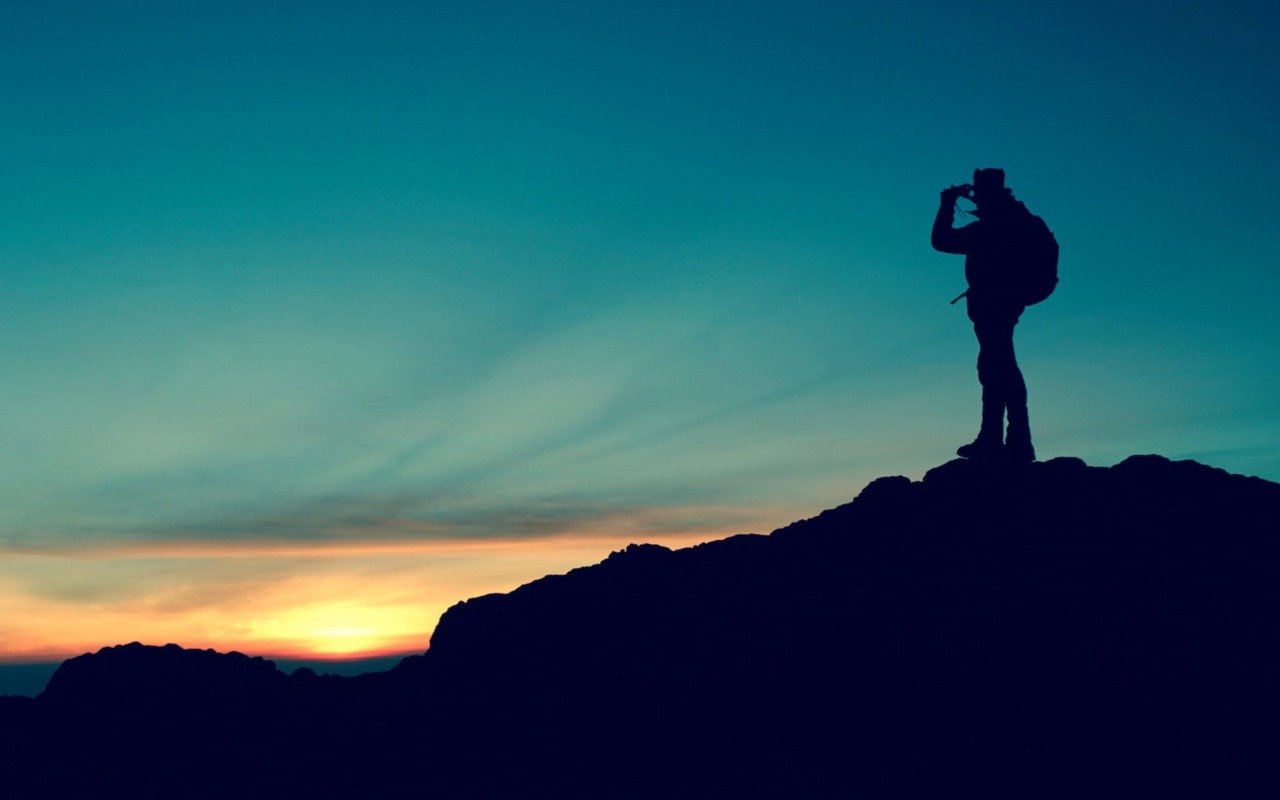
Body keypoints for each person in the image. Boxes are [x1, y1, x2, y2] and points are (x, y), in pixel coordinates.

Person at [931, 167, 1039, 462]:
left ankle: (1006, 440)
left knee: (998, 367)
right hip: (1003, 302)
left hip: (995, 303)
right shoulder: (1015, 219)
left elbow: (941, 241)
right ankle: (1005, 439)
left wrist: (946, 204)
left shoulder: (994, 226)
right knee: (996, 366)